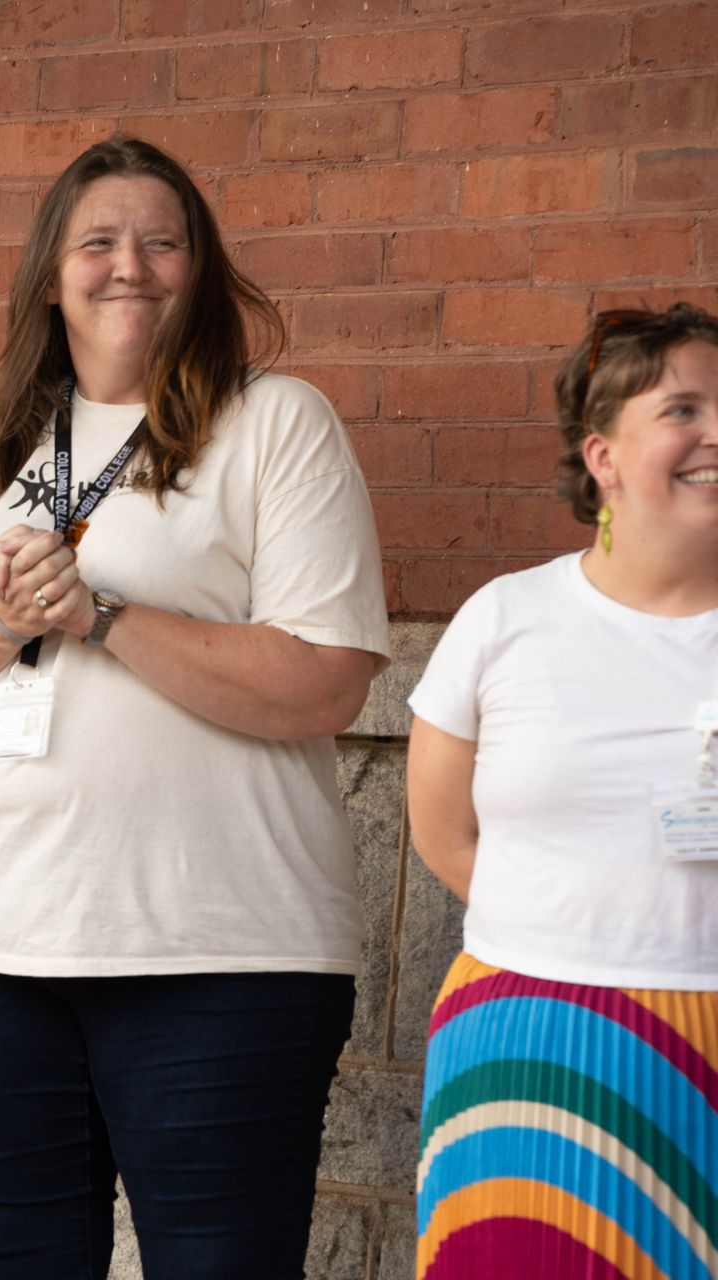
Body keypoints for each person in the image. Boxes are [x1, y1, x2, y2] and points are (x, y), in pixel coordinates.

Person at [0, 136, 391, 1278]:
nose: (131, 265)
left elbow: (328, 680)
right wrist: (2, 621)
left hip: (221, 956)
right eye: (98, 240)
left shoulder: (275, 423)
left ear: (200, 269)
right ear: (50, 274)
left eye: (164, 241)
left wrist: (101, 615)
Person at [407, 304, 718, 1279]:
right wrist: (576, 938)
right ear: (604, 455)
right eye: (683, 408)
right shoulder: (506, 618)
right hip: (530, 1041)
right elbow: (442, 832)